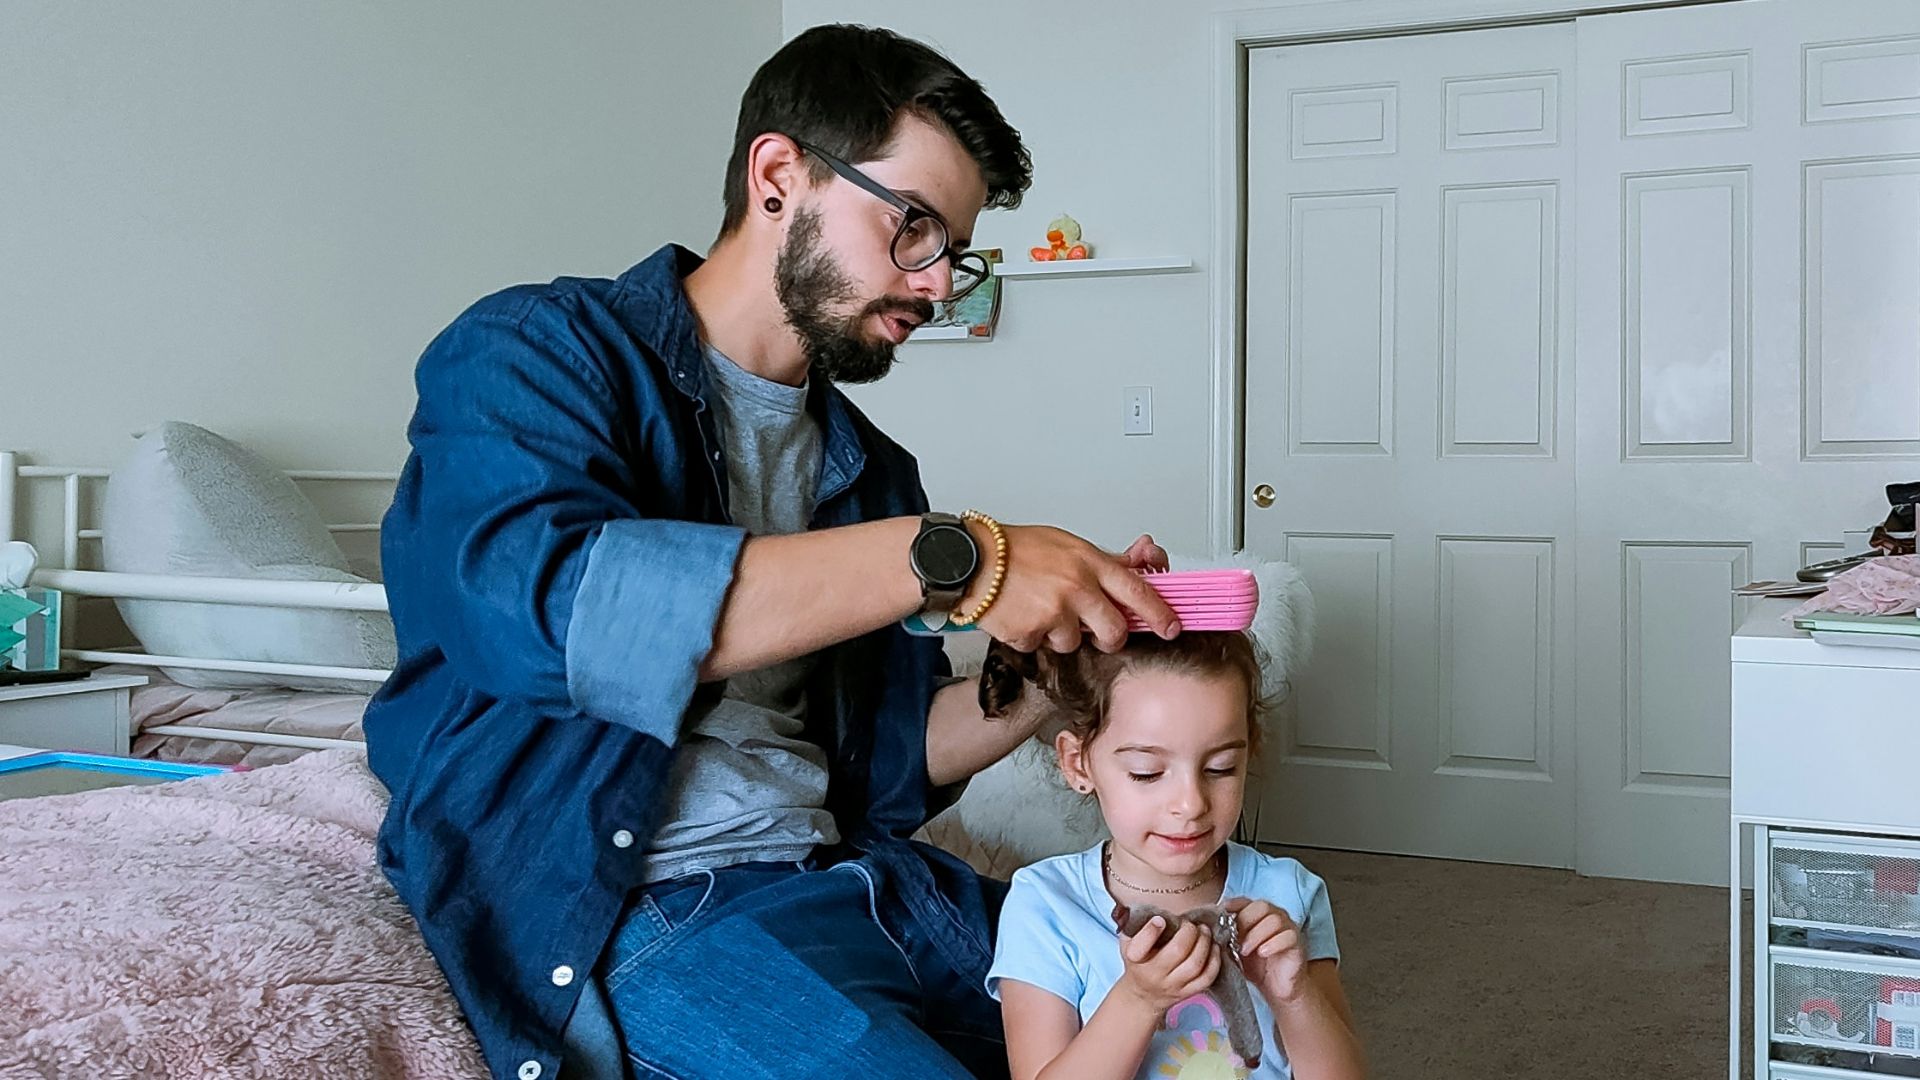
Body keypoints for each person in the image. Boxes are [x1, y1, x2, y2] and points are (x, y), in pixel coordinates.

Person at [362, 22, 1181, 1080]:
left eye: (956, 251)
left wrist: (1055, 687)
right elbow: (557, 611)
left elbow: (884, 770)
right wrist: (968, 560)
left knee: (1213, 1024)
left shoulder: (872, 472)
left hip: (865, 882)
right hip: (659, 908)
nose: (940, 286)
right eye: (916, 228)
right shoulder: (536, 350)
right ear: (780, 175)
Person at [986, 632, 1366, 1080]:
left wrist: (1295, 996)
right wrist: (1138, 1000)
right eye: (1147, 774)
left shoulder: (1289, 892)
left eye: (1220, 767)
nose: (1191, 804)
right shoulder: (1046, 905)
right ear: (1078, 764)